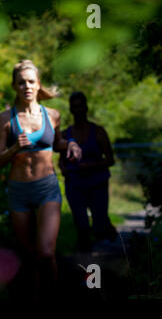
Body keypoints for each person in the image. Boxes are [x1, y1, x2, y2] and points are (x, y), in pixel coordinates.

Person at [0, 60, 82, 299]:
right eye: (21, 82)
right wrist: (14, 149)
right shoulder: (5, 119)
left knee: (45, 252)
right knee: (29, 255)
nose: (27, 86)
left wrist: (71, 144)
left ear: (38, 85)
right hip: (18, 191)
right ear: (14, 85)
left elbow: (58, 145)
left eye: (31, 81)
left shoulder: (53, 115)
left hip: (46, 188)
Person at [58, 91, 117, 252]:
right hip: (75, 184)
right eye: (75, 107)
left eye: (81, 106)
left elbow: (110, 159)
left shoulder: (98, 132)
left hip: (97, 182)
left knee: (99, 224)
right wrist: (64, 170)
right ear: (71, 109)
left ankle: (109, 233)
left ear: (86, 107)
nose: (78, 110)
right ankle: (86, 260)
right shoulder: (65, 134)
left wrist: (91, 165)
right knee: (82, 224)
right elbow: (61, 160)